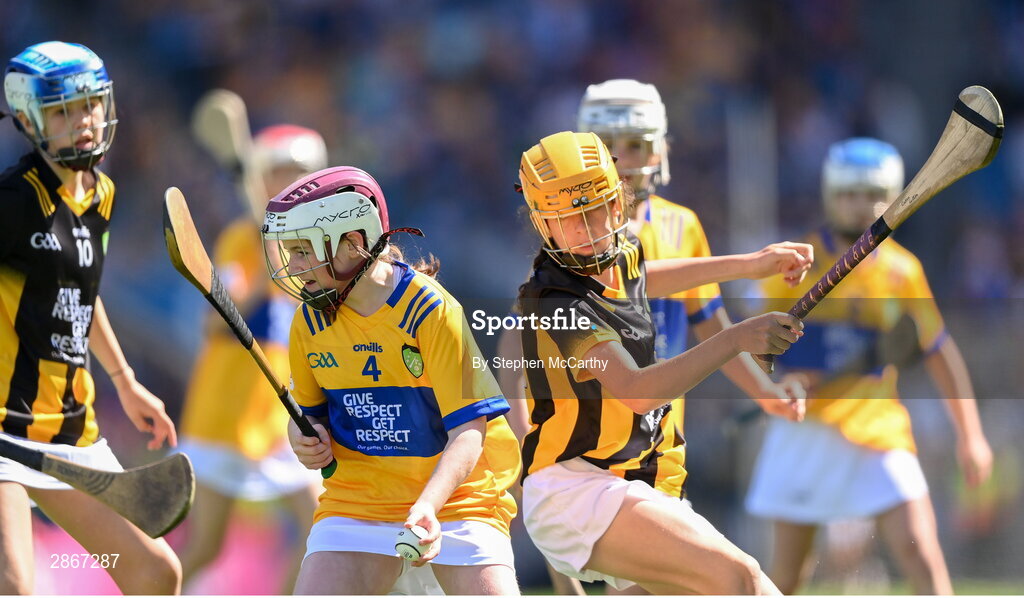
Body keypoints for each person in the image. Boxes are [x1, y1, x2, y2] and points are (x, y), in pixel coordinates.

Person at [515, 131, 813, 594]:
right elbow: (638, 392)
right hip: (575, 491)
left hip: (634, 478)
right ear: (543, 224)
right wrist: (736, 338)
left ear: (619, 202)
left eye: (597, 209)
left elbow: (647, 278)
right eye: (568, 219)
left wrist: (752, 264)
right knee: (740, 579)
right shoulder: (555, 300)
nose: (589, 230)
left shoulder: (620, 252)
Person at [744, 137, 994, 594]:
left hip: (879, 429)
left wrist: (971, 436)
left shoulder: (903, 272)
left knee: (920, 551)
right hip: (805, 427)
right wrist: (776, 380)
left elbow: (939, 351)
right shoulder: (797, 264)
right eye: (849, 194)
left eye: (875, 195)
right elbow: (751, 345)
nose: (863, 206)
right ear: (830, 196)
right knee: (786, 578)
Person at [262, 166, 521, 595]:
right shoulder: (309, 320)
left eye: (303, 251)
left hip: (457, 500)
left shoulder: (429, 309)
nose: (294, 266)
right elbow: (309, 417)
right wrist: (304, 439)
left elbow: (469, 430)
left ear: (353, 244)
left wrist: (428, 506)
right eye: (289, 252)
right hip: (358, 502)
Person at [0, 41, 181, 594]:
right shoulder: (12, 202)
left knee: (154, 574)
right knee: (14, 585)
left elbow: (81, 289)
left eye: (91, 104)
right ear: (31, 118)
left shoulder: (100, 192)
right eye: (63, 110)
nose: (83, 121)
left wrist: (125, 381)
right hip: (3, 427)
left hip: (67, 431)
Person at [177, 125, 328, 593]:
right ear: (260, 178)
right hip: (226, 415)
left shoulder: (315, 246)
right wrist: (267, 275)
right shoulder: (243, 239)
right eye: (280, 172)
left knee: (322, 529)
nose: (290, 183)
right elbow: (213, 322)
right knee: (206, 547)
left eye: (301, 174)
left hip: (280, 415)